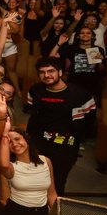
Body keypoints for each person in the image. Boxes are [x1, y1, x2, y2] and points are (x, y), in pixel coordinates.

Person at [25, 58, 95, 196]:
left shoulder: (80, 94)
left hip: (65, 145)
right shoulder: (35, 91)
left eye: (51, 71)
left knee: (57, 182)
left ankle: (55, 208)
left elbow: (90, 119)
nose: (47, 75)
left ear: (60, 72)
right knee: (36, 179)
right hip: (39, 142)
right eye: (42, 72)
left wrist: (78, 138)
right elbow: (32, 113)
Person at [0, 121, 57, 215]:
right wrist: (4, 134)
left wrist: (58, 214)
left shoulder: (46, 161)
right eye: (9, 142)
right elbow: (4, 198)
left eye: (17, 139)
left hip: (42, 214)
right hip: (17, 214)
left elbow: (51, 194)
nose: (15, 144)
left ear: (26, 140)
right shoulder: (10, 166)